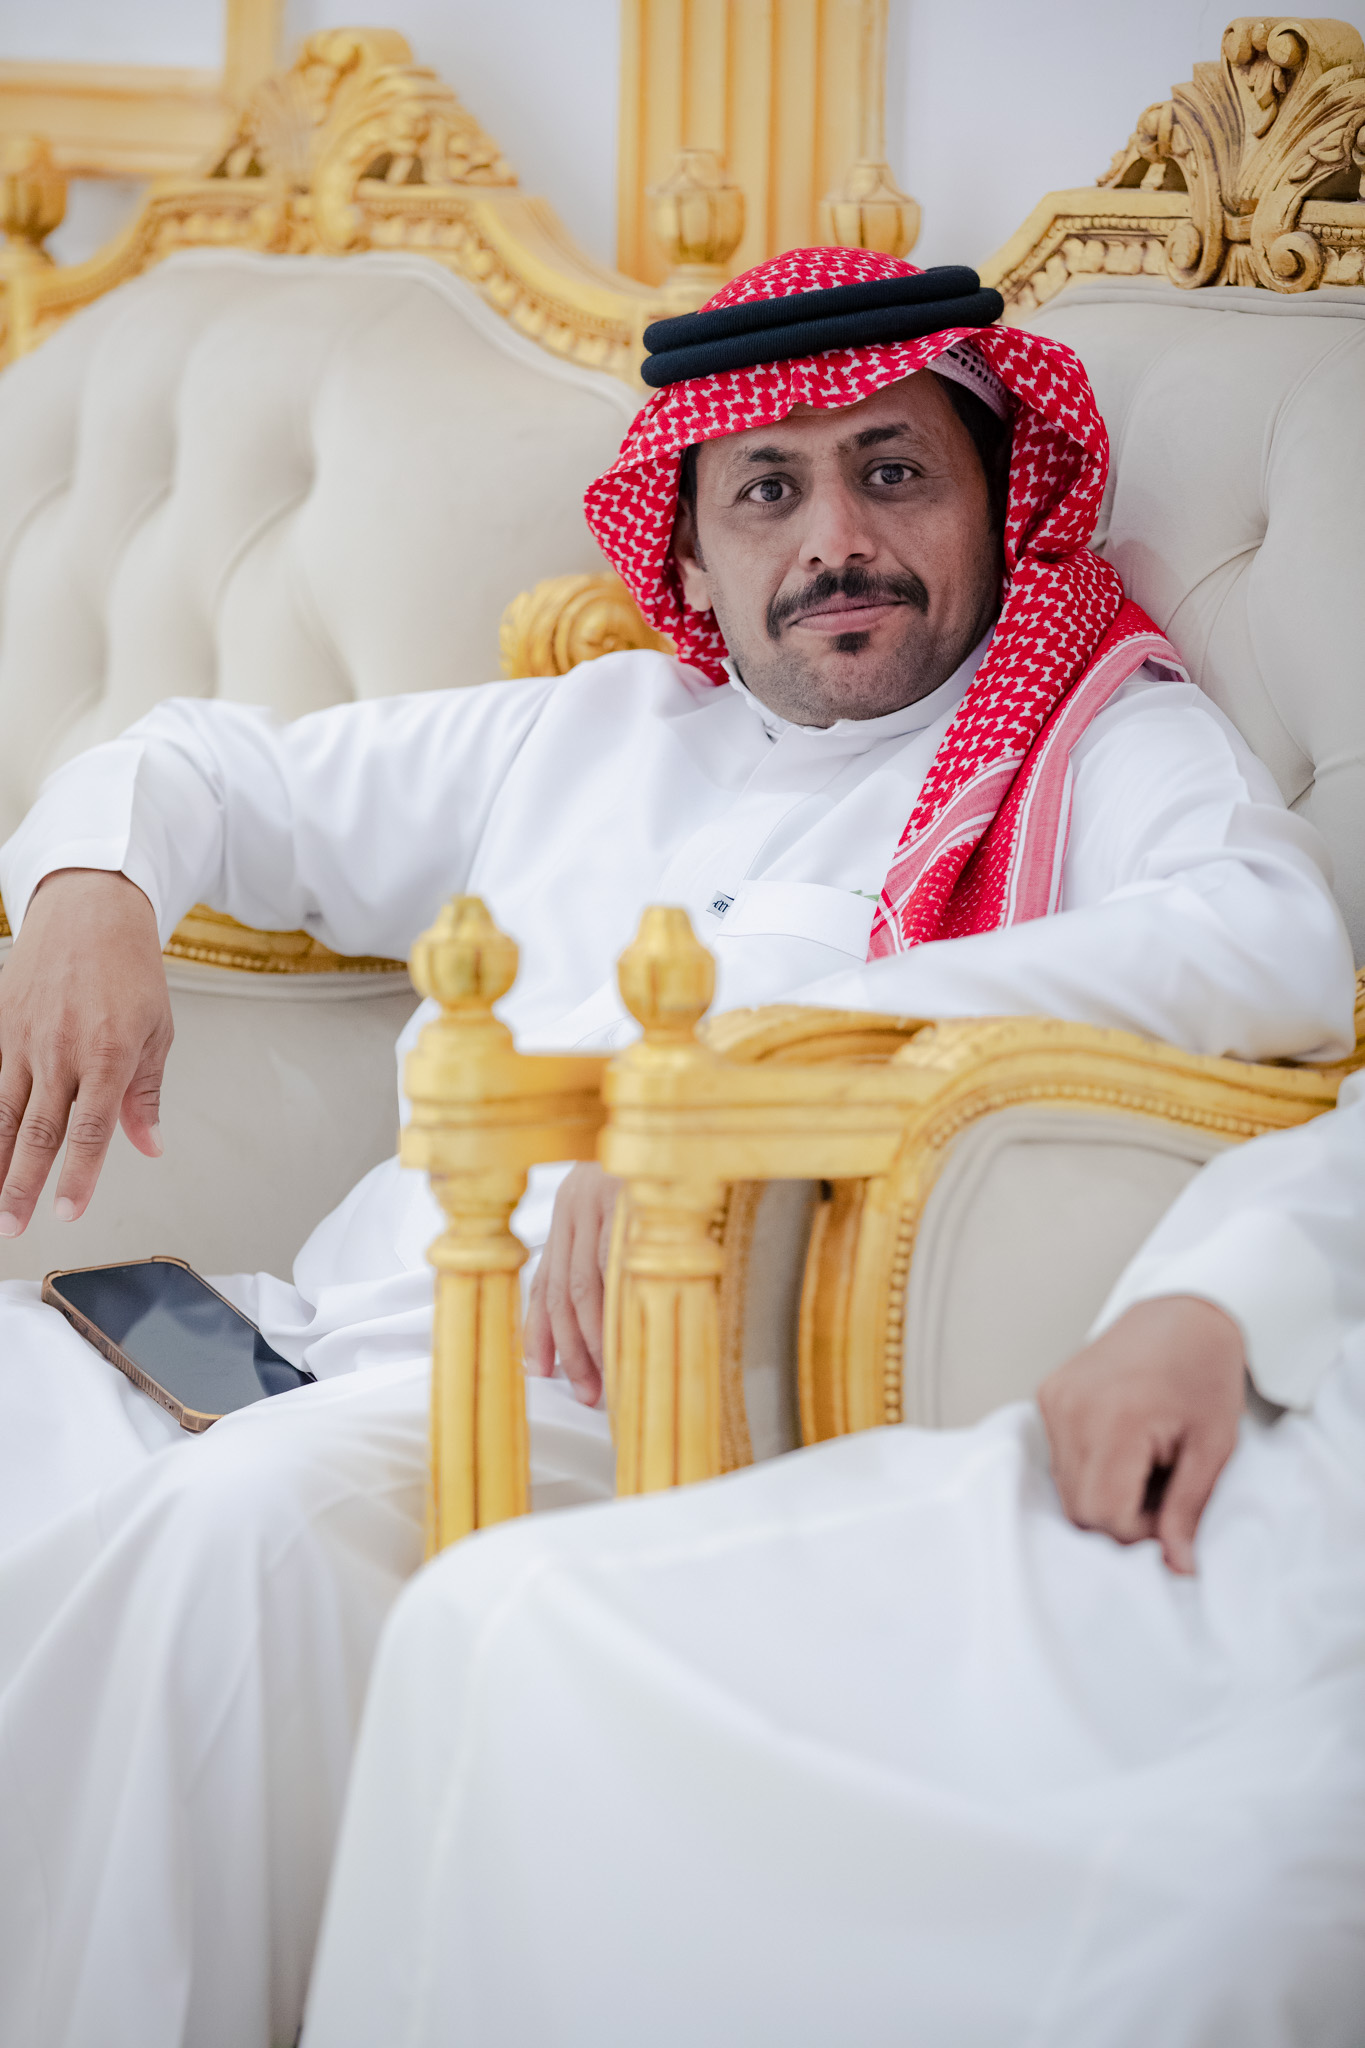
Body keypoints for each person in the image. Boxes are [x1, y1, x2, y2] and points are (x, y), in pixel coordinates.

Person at [0, 248, 1353, 2048]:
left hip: (612, 1412)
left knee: (241, 1532)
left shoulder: (1091, 734)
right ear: (693, 551)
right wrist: (91, 887)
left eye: (894, 472)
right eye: (767, 491)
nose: (836, 542)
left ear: (992, 497)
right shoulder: (593, 728)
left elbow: (1264, 937)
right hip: (301, 1347)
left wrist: (739, 1067)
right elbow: (204, 771)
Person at [303, 1076, 1365, 2048]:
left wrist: (695, 1088)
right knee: (494, 1619)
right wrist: (1207, 1297)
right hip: (1255, 1490)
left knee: (1208, 1929)